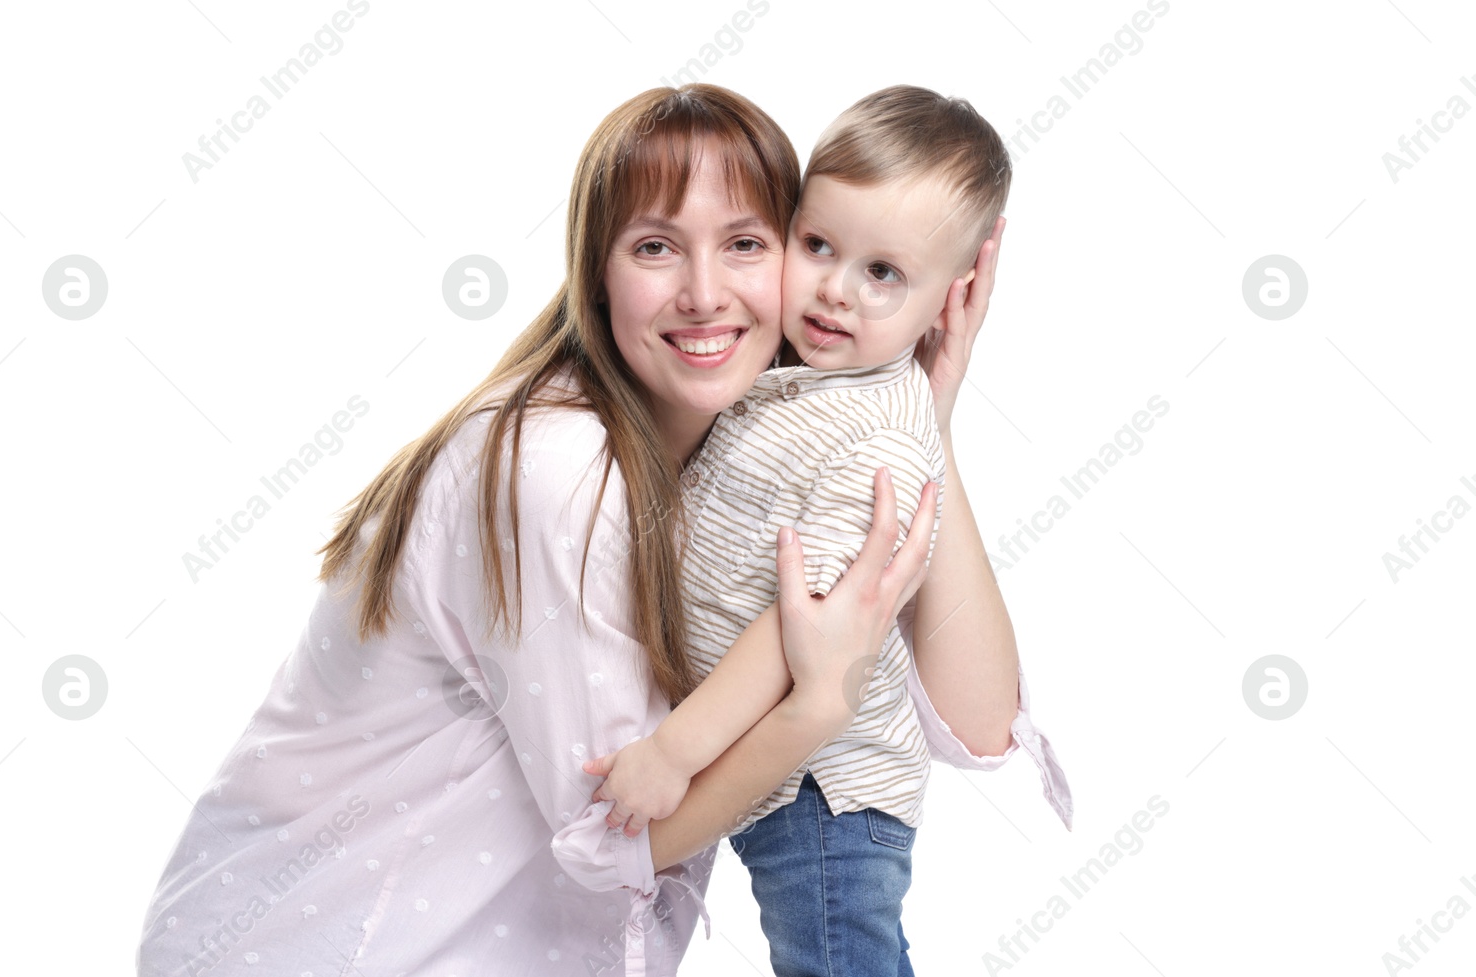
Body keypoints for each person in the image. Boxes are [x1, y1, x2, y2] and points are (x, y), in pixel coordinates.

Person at [134, 84, 940, 977]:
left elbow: (978, 726)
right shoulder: (559, 468)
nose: (705, 293)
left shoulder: (737, 460)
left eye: (745, 244)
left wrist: (910, 396)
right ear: (597, 271)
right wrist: (814, 708)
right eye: (655, 247)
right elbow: (611, 843)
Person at [582, 86, 1073, 976]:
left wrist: (672, 751)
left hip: (827, 791)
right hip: (784, 766)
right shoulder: (801, 379)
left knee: (840, 960)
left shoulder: (877, 434)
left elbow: (800, 626)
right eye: (817, 246)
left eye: (884, 274)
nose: (836, 292)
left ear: (950, 299)